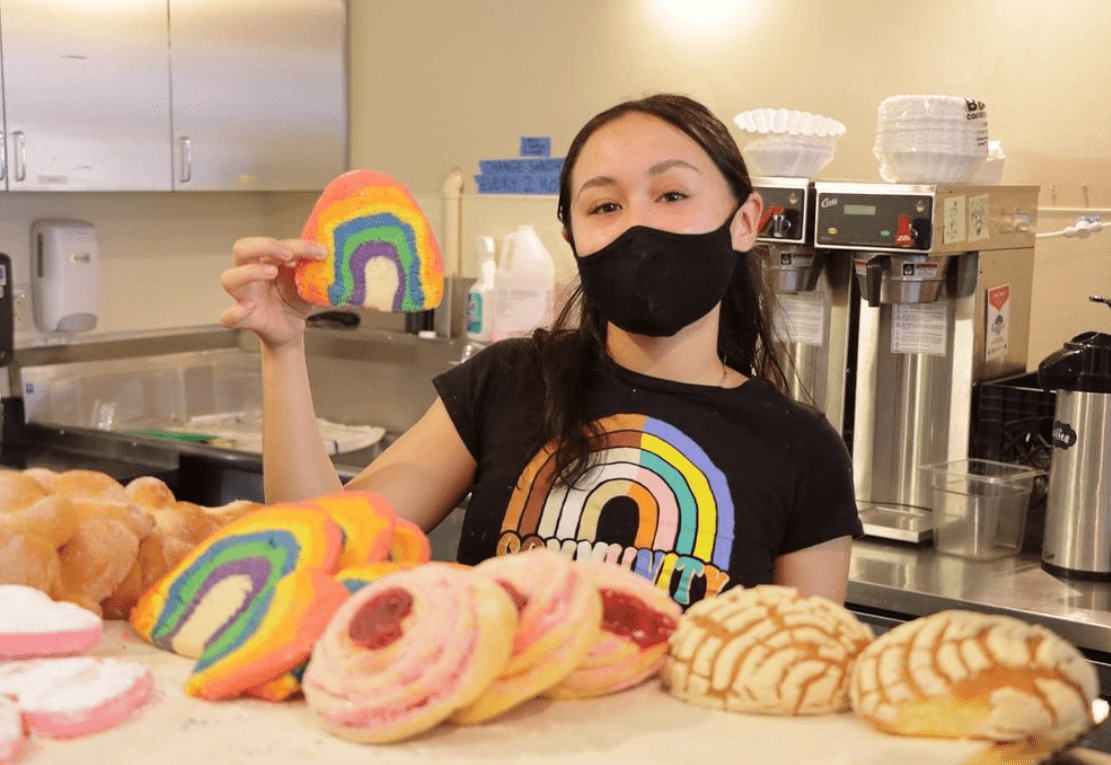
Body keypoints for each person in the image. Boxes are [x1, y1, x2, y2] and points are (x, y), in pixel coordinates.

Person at [219, 93, 862, 609]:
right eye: (604, 205)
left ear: (745, 221)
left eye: (672, 195)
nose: (638, 225)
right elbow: (325, 538)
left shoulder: (803, 449)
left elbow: (804, 675)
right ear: (573, 237)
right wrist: (283, 344)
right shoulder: (510, 381)